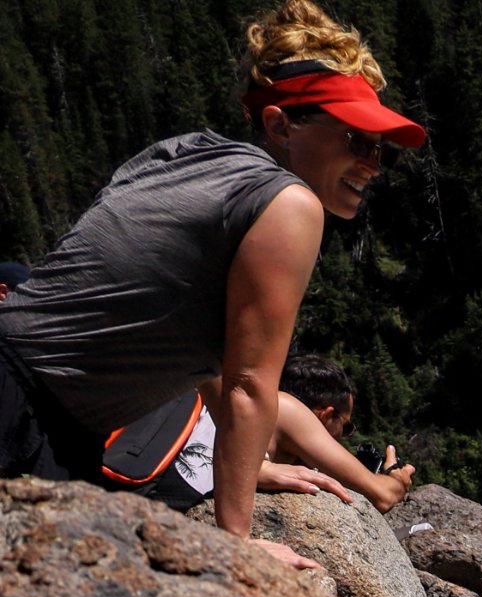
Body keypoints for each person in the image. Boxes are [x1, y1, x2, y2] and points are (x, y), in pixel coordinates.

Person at [0, 2, 424, 568]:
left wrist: (248, 469)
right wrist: (236, 547)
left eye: (381, 148)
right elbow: (250, 385)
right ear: (279, 124)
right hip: (27, 417)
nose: (372, 163)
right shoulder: (290, 203)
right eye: (355, 139)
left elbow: (207, 366)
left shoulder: (182, 154)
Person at [271, 352, 417, 511]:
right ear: (326, 415)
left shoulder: (268, 405)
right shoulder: (289, 411)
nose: (343, 436)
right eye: (346, 426)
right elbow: (383, 496)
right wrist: (396, 478)